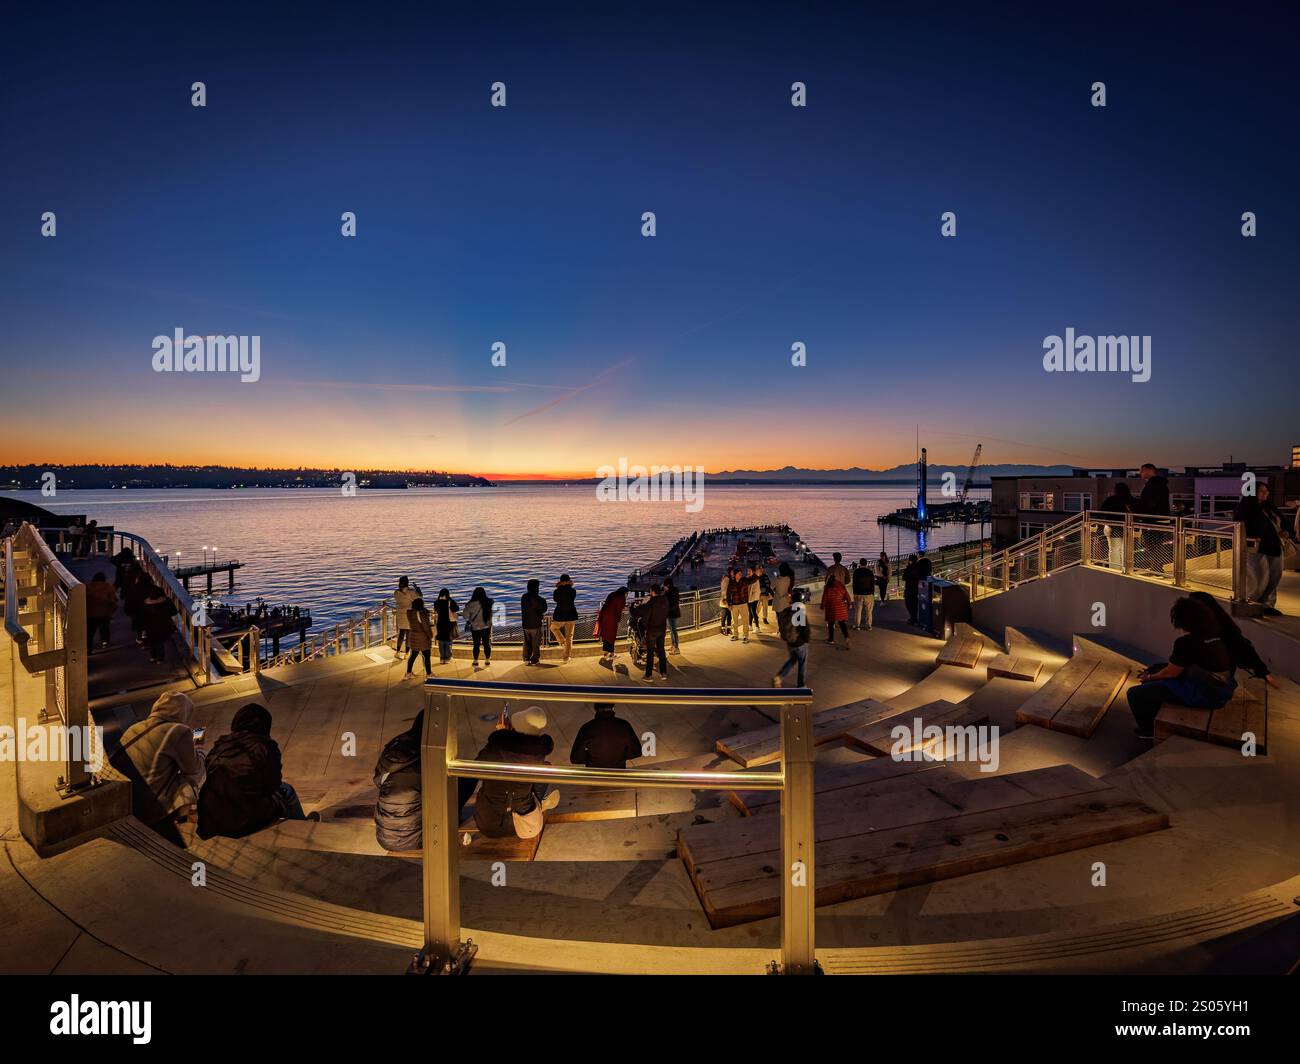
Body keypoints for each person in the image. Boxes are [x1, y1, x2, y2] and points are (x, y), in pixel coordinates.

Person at [197, 702, 316, 839]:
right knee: (286, 790)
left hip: (210, 817)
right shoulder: (265, 746)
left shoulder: (220, 745)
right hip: (242, 819)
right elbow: (273, 784)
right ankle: (304, 831)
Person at [1126, 597, 1237, 739]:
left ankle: (1148, 731)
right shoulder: (1218, 634)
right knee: (1158, 670)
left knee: (1135, 694)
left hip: (1207, 694)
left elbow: (1171, 673)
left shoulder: (1185, 643)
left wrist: (1149, 677)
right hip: (1224, 688)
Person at [116, 691, 207, 843]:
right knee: (189, 778)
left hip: (127, 801)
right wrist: (199, 746)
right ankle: (190, 813)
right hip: (150, 806)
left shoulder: (134, 728)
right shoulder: (178, 730)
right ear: (184, 712)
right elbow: (194, 768)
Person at [470, 707, 559, 839]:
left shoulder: (493, 750)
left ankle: (540, 805)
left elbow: (476, 770)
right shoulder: (537, 755)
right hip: (527, 827)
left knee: (493, 784)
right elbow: (519, 752)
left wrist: (502, 736)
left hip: (487, 825)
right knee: (544, 770)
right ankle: (539, 805)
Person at [373, 712, 429, 852]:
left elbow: (377, 780)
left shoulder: (396, 747)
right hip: (415, 840)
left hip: (384, 839)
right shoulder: (427, 757)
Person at [1188, 590, 1269, 679]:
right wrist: (1261, 669)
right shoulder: (1227, 627)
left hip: (1209, 681)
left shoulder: (1192, 639)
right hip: (1226, 679)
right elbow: (1245, 647)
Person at [1234, 483, 1285, 615]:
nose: (1265, 494)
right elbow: (1241, 525)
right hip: (1256, 547)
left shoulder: (1269, 507)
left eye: (1266, 491)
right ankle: (1252, 603)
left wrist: (1284, 531)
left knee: (1275, 577)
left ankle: (1267, 605)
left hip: (1274, 545)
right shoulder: (1245, 507)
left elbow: (1280, 522)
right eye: (1262, 491)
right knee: (1260, 578)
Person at [570, 703, 641, 769]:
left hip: (594, 776)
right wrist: (620, 757)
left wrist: (591, 759)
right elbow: (637, 751)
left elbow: (575, 758)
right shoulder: (624, 725)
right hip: (617, 775)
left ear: (595, 708)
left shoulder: (587, 728)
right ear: (613, 708)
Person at [1136, 463, 1171, 575]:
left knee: (1152, 545)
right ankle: (1157, 568)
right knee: (1156, 545)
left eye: (1142, 471)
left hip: (1153, 520)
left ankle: (1157, 569)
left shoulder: (1153, 485)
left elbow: (1150, 503)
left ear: (1149, 471)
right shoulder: (1161, 484)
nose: (1140, 473)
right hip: (1161, 519)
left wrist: (1141, 511)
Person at [773, 588, 811, 687]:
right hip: (800, 643)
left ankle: (779, 677)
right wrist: (806, 640)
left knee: (792, 660)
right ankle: (801, 685)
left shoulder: (787, 610)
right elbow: (805, 628)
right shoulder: (800, 611)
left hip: (790, 642)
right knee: (802, 664)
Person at [1099, 481, 1134, 569]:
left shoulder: (1111, 499)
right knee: (1125, 550)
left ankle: (1115, 569)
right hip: (1127, 527)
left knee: (1114, 549)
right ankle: (1126, 568)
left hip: (1113, 526)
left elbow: (1101, 511)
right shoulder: (1131, 500)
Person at [641, 582, 670, 681]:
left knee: (650, 652)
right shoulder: (665, 600)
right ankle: (663, 673)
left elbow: (646, 617)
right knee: (661, 650)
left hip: (652, 630)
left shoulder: (651, 602)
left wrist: (645, 626)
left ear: (653, 592)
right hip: (662, 629)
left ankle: (648, 675)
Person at [142, 583, 178, 664]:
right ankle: (160, 658)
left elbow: (143, 616)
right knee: (160, 641)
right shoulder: (165, 601)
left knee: (152, 640)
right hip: (163, 624)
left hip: (149, 625)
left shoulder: (146, 603)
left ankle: (153, 656)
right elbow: (174, 612)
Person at [594, 585, 628, 664]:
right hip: (612, 618)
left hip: (604, 616)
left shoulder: (612, 594)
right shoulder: (621, 598)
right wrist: (619, 619)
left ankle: (606, 653)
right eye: (627, 593)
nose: (627, 595)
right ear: (624, 592)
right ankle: (612, 654)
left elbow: (608, 604)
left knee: (606, 635)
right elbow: (619, 609)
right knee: (612, 636)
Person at [462, 586, 494, 668]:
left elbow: (465, 616)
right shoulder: (489, 602)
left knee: (476, 644)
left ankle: (475, 661)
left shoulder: (470, 604)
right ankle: (487, 660)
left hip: (475, 627)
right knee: (486, 643)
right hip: (486, 626)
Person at [85, 572, 118, 650]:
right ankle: (105, 643)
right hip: (105, 613)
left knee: (90, 632)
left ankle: (88, 648)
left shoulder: (87, 587)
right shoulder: (108, 586)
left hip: (91, 614)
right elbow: (113, 599)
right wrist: (112, 610)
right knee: (104, 628)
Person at [550, 574, 578, 663]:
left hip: (560, 615)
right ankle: (566, 657)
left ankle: (562, 641)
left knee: (553, 628)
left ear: (560, 581)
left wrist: (559, 587)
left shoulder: (557, 591)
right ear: (569, 581)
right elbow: (571, 598)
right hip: (571, 615)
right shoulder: (573, 591)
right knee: (569, 637)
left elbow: (555, 600)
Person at [520, 579, 547, 665]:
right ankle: (535, 659)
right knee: (536, 643)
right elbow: (544, 609)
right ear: (537, 588)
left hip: (525, 624)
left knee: (526, 643)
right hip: (536, 624)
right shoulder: (539, 599)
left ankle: (526, 659)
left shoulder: (524, 597)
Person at [404, 596, 433, 677]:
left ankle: (408, 673)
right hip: (422, 637)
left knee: (413, 656)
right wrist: (430, 636)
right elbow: (426, 627)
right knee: (426, 656)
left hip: (413, 636)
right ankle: (429, 674)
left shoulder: (410, 613)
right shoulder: (421, 614)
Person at [393, 576, 420, 658]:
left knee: (401, 633)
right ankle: (407, 653)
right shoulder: (410, 592)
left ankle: (397, 652)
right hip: (409, 615)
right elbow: (420, 597)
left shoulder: (396, 592)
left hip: (400, 615)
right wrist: (417, 588)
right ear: (407, 583)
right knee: (408, 634)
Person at [821, 574, 851, 647]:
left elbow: (825, 598)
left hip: (831, 608)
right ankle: (846, 638)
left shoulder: (827, 587)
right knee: (842, 624)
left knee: (831, 624)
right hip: (841, 608)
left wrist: (822, 606)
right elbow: (847, 597)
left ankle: (831, 639)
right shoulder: (841, 586)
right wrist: (849, 604)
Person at [432, 588, 459, 664]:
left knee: (441, 641)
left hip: (440, 623)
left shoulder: (437, 602)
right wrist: (449, 599)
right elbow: (457, 608)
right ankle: (447, 657)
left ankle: (442, 658)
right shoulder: (450, 602)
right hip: (448, 623)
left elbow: (436, 610)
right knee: (448, 641)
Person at [727, 566, 751, 643]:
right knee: (735, 621)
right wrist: (729, 604)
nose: (740, 574)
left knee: (745, 621)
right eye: (739, 573)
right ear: (735, 574)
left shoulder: (744, 580)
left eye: (741, 573)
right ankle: (736, 635)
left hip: (743, 604)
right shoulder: (732, 582)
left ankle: (745, 636)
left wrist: (755, 574)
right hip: (734, 604)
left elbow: (752, 580)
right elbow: (728, 593)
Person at [851, 558, 875, 631]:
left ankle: (857, 625)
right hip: (868, 594)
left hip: (858, 594)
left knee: (858, 611)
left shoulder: (856, 572)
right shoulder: (870, 572)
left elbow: (854, 584)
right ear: (866, 563)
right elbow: (872, 584)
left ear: (860, 563)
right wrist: (872, 594)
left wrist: (854, 593)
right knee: (869, 611)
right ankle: (869, 626)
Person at [664, 577, 682, 653]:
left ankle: (676, 648)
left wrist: (668, 610)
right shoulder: (669, 592)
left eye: (665, 585)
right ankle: (673, 645)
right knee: (671, 630)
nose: (664, 587)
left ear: (668, 585)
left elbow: (674, 604)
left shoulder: (673, 592)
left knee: (674, 630)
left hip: (674, 614)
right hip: (670, 614)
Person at [903, 554, 921, 626]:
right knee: (915, 604)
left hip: (909, 588)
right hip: (916, 589)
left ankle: (913, 618)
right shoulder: (918, 568)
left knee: (908, 604)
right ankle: (914, 618)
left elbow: (904, 578)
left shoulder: (909, 568)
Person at [746, 565, 762, 629]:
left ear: (753, 572)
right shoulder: (751, 578)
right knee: (750, 611)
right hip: (752, 597)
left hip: (753, 598)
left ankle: (757, 627)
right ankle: (750, 625)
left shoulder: (754, 579)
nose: (748, 572)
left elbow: (755, 590)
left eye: (749, 571)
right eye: (748, 571)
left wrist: (751, 597)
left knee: (753, 611)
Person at [718, 569, 732, 635]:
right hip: (725, 600)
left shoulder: (731, 579)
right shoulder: (726, 579)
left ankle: (729, 629)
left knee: (729, 615)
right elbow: (723, 590)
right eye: (732, 572)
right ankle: (723, 629)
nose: (733, 573)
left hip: (729, 600)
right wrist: (724, 599)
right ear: (729, 572)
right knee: (724, 615)